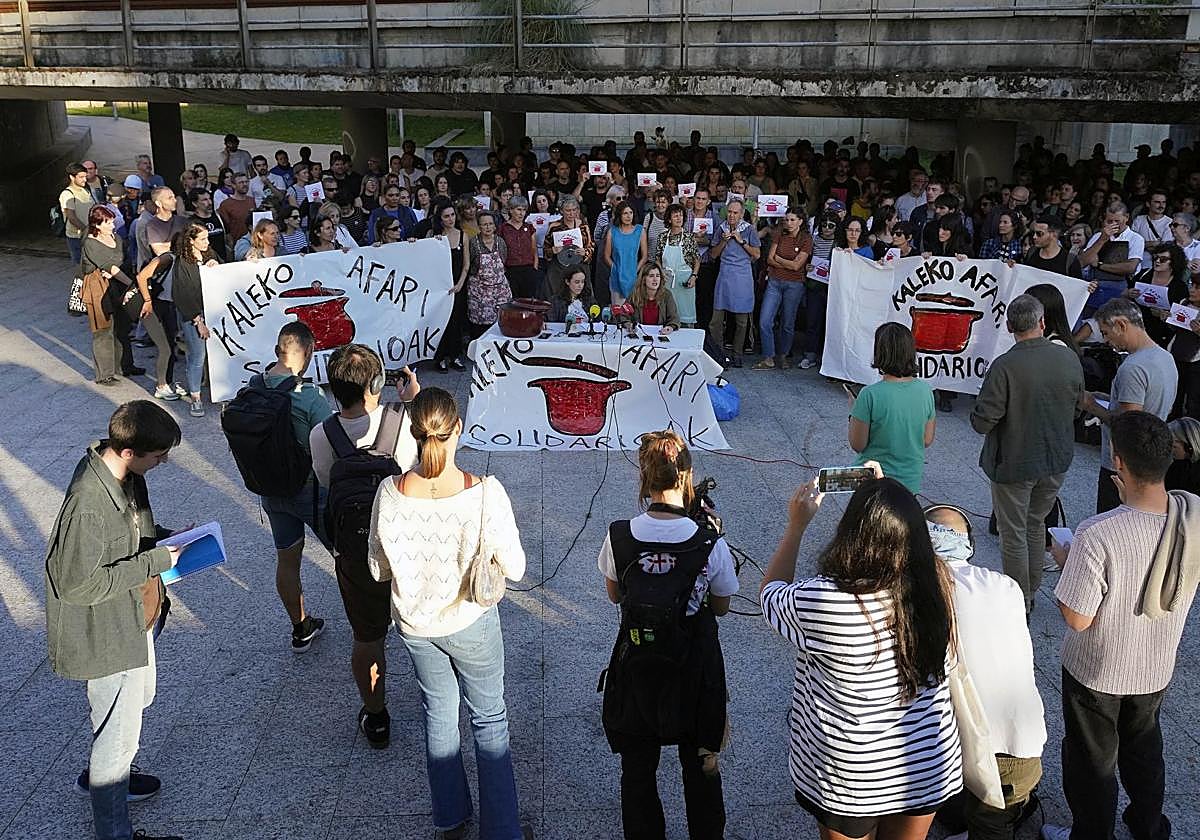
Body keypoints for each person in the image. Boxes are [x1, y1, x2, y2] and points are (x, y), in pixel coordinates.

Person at [760, 471, 962, 840]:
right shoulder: (940, 585)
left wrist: (796, 527)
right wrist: (891, 497)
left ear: (852, 534)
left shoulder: (825, 600)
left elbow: (770, 594)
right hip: (927, 761)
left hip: (851, 778)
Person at [367, 387, 526, 840]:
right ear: (458, 428)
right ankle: (502, 831)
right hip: (471, 620)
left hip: (415, 625)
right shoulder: (485, 493)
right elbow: (516, 568)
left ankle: (451, 818)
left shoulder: (389, 492)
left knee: (438, 714)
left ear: (413, 434)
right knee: (489, 719)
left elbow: (377, 568)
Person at [1043, 411, 1200, 840]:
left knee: (1091, 761)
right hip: (1155, 664)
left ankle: (1093, 834)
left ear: (1117, 461)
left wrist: (1067, 562)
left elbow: (1078, 617)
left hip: (1098, 671)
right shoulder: (1191, 517)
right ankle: (1149, 826)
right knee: (1144, 750)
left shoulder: (1098, 533)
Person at [45, 400, 184, 840]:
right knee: (117, 738)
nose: (163, 463)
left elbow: (130, 539)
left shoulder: (126, 476)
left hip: (135, 617)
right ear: (127, 451)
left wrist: (171, 540)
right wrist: (156, 561)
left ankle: (110, 777)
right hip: (108, 632)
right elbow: (77, 585)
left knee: (138, 702)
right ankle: (112, 815)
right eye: (158, 456)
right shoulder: (89, 503)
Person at [597, 430, 737, 840]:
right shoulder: (709, 541)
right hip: (695, 671)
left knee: (637, 772)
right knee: (701, 768)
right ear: (687, 477)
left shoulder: (619, 535)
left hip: (638, 664)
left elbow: (614, 595)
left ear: (644, 477)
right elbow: (722, 605)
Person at [309, 346, 419, 748]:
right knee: (425, 628)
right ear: (377, 383)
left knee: (367, 636)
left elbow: (325, 481)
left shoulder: (322, 434)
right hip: (409, 547)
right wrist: (414, 402)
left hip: (357, 552)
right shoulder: (404, 422)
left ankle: (376, 716)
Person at [923, 505, 1047, 840]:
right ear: (969, 544)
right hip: (1021, 744)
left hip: (991, 756)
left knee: (990, 827)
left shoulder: (922, 597)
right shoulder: (1005, 586)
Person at [970, 294, 1083, 612]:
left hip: (1014, 462)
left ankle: (1020, 598)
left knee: (1013, 532)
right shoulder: (1068, 358)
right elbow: (1078, 406)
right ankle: (1031, 589)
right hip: (1054, 459)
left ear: (1009, 327)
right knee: (1035, 523)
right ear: (1042, 323)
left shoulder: (1005, 366)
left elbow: (983, 421)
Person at [258, 322, 334, 651]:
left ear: (277, 351)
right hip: (311, 491)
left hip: (271, 490)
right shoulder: (309, 395)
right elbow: (334, 440)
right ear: (309, 352)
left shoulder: (254, 387)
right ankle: (366, 624)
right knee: (345, 557)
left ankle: (300, 628)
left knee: (287, 560)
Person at [1079, 298, 1178, 514]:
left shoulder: (1133, 367)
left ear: (1121, 325)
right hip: (1149, 462)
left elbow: (1129, 424)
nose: (1106, 340)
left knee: (1110, 522)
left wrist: (1091, 405)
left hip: (1123, 464)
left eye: (1106, 333)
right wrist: (1108, 397)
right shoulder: (1166, 358)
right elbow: (1145, 403)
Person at [848, 323, 936, 494]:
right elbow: (927, 440)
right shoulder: (926, 390)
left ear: (879, 352)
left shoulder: (869, 394)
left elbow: (858, 444)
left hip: (871, 482)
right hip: (909, 483)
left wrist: (854, 413)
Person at [167, 224, 221, 417]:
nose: (207, 242)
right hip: (193, 316)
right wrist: (198, 321)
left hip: (212, 311)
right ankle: (196, 398)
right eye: (202, 239)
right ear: (191, 241)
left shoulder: (209, 254)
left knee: (215, 354)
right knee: (197, 356)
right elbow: (182, 295)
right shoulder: (183, 263)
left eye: (207, 238)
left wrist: (216, 264)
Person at [80, 206, 136, 385]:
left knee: (123, 327)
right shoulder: (91, 243)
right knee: (103, 331)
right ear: (97, 224)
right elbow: (109, 267)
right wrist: (132, 284)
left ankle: (125, 365)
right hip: (98, 288)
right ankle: (104, 374)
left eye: (112, 221)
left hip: (118, 285)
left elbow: (124, 260)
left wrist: (120, 276)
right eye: (108, 222)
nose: (112, 225)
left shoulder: (116, 238)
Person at [753, 208, 811, 370]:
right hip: (775, 281)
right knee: (765, 320)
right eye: (787, 220)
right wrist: (788, 264)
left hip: (795, 285)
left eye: (793, 220)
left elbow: (796, 266)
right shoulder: (779, 234)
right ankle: (769, 357)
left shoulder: (806, 239)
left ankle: (783, 355)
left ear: (800, 221)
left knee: (787, 323)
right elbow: (770, 260)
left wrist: (779, 259)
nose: (789, 223)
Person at [708, 199, 760, 368]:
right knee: (716, 320)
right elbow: (713, 255)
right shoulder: (721, 228)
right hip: (724, 275)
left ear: (742, 214)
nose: (731, 215)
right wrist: (724, 241)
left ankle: (737, 354)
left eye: (735, 212)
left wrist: (741, 241)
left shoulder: (749, 229)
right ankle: (718, 353)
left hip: (742, 276)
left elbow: (757, 254)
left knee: (741, 320)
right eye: (729, 211)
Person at [1079, 202, 1146, 314]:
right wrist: (1102, 240)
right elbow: (1082, 262)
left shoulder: (1136, 238)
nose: (1113, 225)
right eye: (1110, 221)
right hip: (1094, 286)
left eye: (1117, 221)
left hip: (1119, 288)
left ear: (1126, 217)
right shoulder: (1098, 236)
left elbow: (1130, 267)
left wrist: (1100, 265)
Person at [429, 201, 471, 372]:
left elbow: (466, 264)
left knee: (456, 321)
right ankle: (440, 357)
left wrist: (460, 284)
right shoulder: (434, 236)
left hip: (457, 285)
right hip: (440, 287)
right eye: (446, 216)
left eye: (452, 215)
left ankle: (455, 356)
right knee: (441, 322)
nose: (451, 219)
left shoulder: (463, 235)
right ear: (440, 219)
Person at [467, 211, 512, 339]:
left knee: (501, 324)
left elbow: (504, 260)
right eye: (484, 224)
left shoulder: (500, 242)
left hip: (500, 290)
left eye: (490, 224)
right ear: (479, 226)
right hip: (479, 291)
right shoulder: (473, 243)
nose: (488, 227)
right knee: (479, 329)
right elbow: (469, 265)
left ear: (495, 226)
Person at [604, 200, 648, 305]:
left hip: (634, 277)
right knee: (618, 311)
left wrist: (635, 270)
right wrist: (615, 269)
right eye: (625, 213)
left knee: (634, 309)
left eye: (630, 212)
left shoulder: (640, 230)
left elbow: (645, 256)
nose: (628, 216)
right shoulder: (612, 231)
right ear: (619, 215)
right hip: (616, 278)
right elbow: (606, 256)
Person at [498, 196, 540, 299]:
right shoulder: (503, 228)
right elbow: (499, 250)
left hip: (528, 270)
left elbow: (534, 250)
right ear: (511, 210)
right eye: (519, 209)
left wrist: (535, 268)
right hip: (511, 270)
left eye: (524, 210)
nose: (522, 213)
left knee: (528, 301)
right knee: (513, 301)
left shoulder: (529, 227)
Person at [629, 262, 680, 332]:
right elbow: (623, 315)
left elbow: (674, 318)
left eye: (658, 276)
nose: (655, 279)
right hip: (639, 334)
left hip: (660, 334)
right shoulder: (635, 294)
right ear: (643, 279)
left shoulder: (667, 295)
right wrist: (628, 325)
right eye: (651, 276)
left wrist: (670, 327)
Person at [61, 162, 96, 264]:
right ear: (72, 177)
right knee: (80, 265)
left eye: (85, 176)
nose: (85, 179)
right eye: (81, 177)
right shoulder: (67, 194)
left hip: (89, 235)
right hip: (77, 237)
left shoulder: (85, 190)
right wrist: (86, 230)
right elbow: (72, 217)